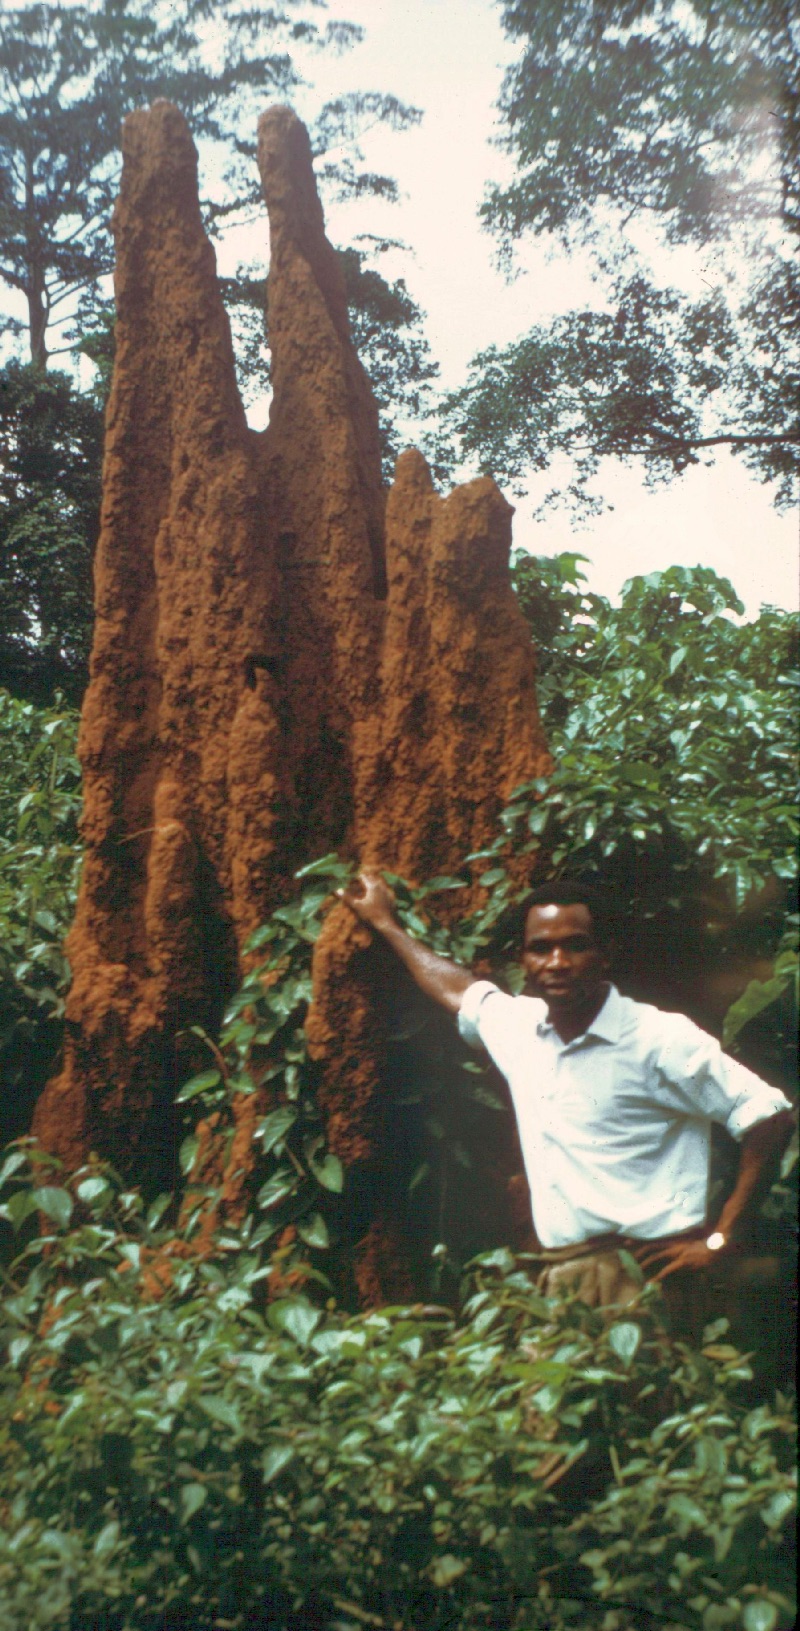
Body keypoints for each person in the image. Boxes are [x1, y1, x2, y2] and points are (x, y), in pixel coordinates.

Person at [341, 871, 794, 1310]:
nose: (557, 962)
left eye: (575, 946)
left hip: (646, 1272)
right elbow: (460, 991)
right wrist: (385, 923)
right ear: (523, 959)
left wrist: (722, 1239)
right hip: (559, 1274)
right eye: (541, 948)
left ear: (605, 954)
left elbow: (768, 1116)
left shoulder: (658, 1039)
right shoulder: (519, 1029)